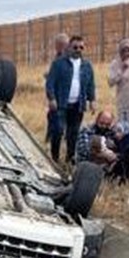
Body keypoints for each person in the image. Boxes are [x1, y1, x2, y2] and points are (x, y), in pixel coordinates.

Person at [44, 34, 96, 163]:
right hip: (61, 104)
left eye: (81, 47)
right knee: (58, 131)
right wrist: (51, 98)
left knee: (73, 134)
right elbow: (50, 82)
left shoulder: (87, 65)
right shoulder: (58, 64)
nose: (78, 49)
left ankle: (70, 158)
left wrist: (92, 100)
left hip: (78, 105)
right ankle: (54, 158)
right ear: (69, 47)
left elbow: (91, 84)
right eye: (75, 47)